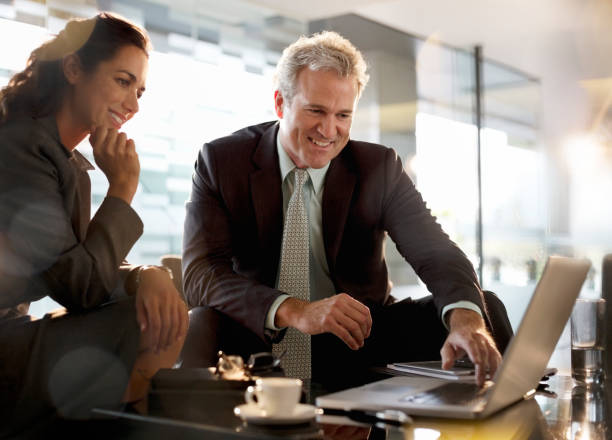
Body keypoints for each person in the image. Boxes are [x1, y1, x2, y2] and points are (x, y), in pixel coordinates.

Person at [182, 31, 512, 387]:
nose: (329, 130)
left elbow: (434, 251)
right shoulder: (222, 161)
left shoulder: (377, 167)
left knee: (480, 309)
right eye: (316, 111)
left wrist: (465, 320)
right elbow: (201, 272)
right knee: (202, 322)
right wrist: (296, 310)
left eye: (343, 115)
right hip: (262, 334)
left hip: (356, 338)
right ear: (280, 103)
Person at [0, 12, 188, 433]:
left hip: (13, 335)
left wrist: (145, 274)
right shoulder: (21, 150)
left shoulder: (65, 161)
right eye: (123, 82)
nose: (134, 104)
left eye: (140, 91)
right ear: (73, 69)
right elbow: (79, 286)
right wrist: (122, 187)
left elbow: (78, 261)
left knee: (162, 305)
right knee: (141, 319)